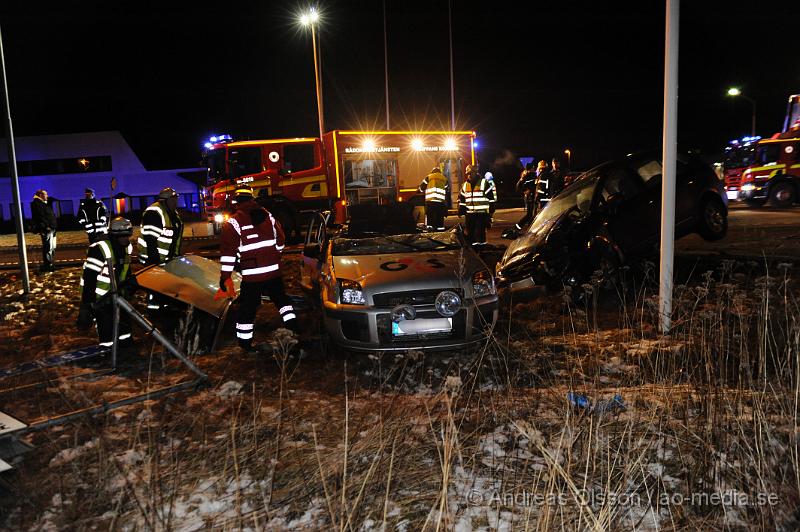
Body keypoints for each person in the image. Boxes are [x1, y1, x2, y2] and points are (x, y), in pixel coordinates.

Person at [217, 185, 298, 352]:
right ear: (252, 198)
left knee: (248, 308)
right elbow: (281, 239)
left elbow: (228, 254)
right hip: (273, 271)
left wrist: (225, 277)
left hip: (252, 275)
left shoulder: (233, 222)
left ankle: (245, 344)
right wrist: (276, 255)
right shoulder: (268, 215)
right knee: (282, 301)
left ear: (236, 202)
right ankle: (294, 329)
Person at [76, 217, 134, 347]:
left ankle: (126, 347)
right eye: (123, 236)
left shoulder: (126, 248)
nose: (126, 239)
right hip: (99, 296)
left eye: (128, 235)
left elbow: (125, 269)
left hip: (118, 293)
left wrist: (128, 287)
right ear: (114, 235)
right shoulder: (99, 249)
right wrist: (88, 303)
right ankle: (107, 352)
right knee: (106, 325)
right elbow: (89, 277)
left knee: (124, 322)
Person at [137, 187, 184, 266]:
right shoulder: (153, 213)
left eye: (176, 199)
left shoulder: (173, 214)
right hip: (151, 262)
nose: (175, 202)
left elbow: (176, 239)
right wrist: (155, 263)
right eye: (172, 200)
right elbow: (151, 241)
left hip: (167, 262)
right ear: (164, 201)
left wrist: (176, 257)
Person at [458, 164, 495, 246]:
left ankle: (482, 249)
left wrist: (491, 211)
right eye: (468, 174)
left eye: (471, 173)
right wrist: (461, 209)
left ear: (475, 172)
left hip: (481, 214)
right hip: (470, 214)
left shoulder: (484, 183)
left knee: (480, 233)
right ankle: (473, 251)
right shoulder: (465, 185)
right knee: (470, 234)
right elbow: (462, 199)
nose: (469, 175)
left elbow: (491, 198)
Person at [30, 189, 57, 272]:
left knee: (52, 247)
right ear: (41, 195)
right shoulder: (37, 204)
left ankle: (50, 263)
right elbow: (39, 217)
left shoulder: (44, 203)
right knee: (48, 247)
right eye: (45, 194)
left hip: (52, 228)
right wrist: (46, 227)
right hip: (47, 229)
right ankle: (48, 265)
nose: (47, 196)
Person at [418, 165, 450, 231]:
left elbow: (422, 188)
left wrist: (420, 190)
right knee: (440, 215)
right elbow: (447, 188)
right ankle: (440, 229)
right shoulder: (444, 178)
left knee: (430, 215)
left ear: (432, 172)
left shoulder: (429, 177)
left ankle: (430, 229)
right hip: (440, 201)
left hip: (430, 201)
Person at [513, 162, 537, 232]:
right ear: (532, 168)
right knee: (530, 214)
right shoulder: (530, 176)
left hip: (530, 197)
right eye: (533, 167)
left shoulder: (525, 176)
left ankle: (528, 228)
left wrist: (524, 192)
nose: (534, 169)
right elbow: (519, 186)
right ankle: (519, 226)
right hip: (530, 197)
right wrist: (525, 191)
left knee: (531, 214)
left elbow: (518, 187)